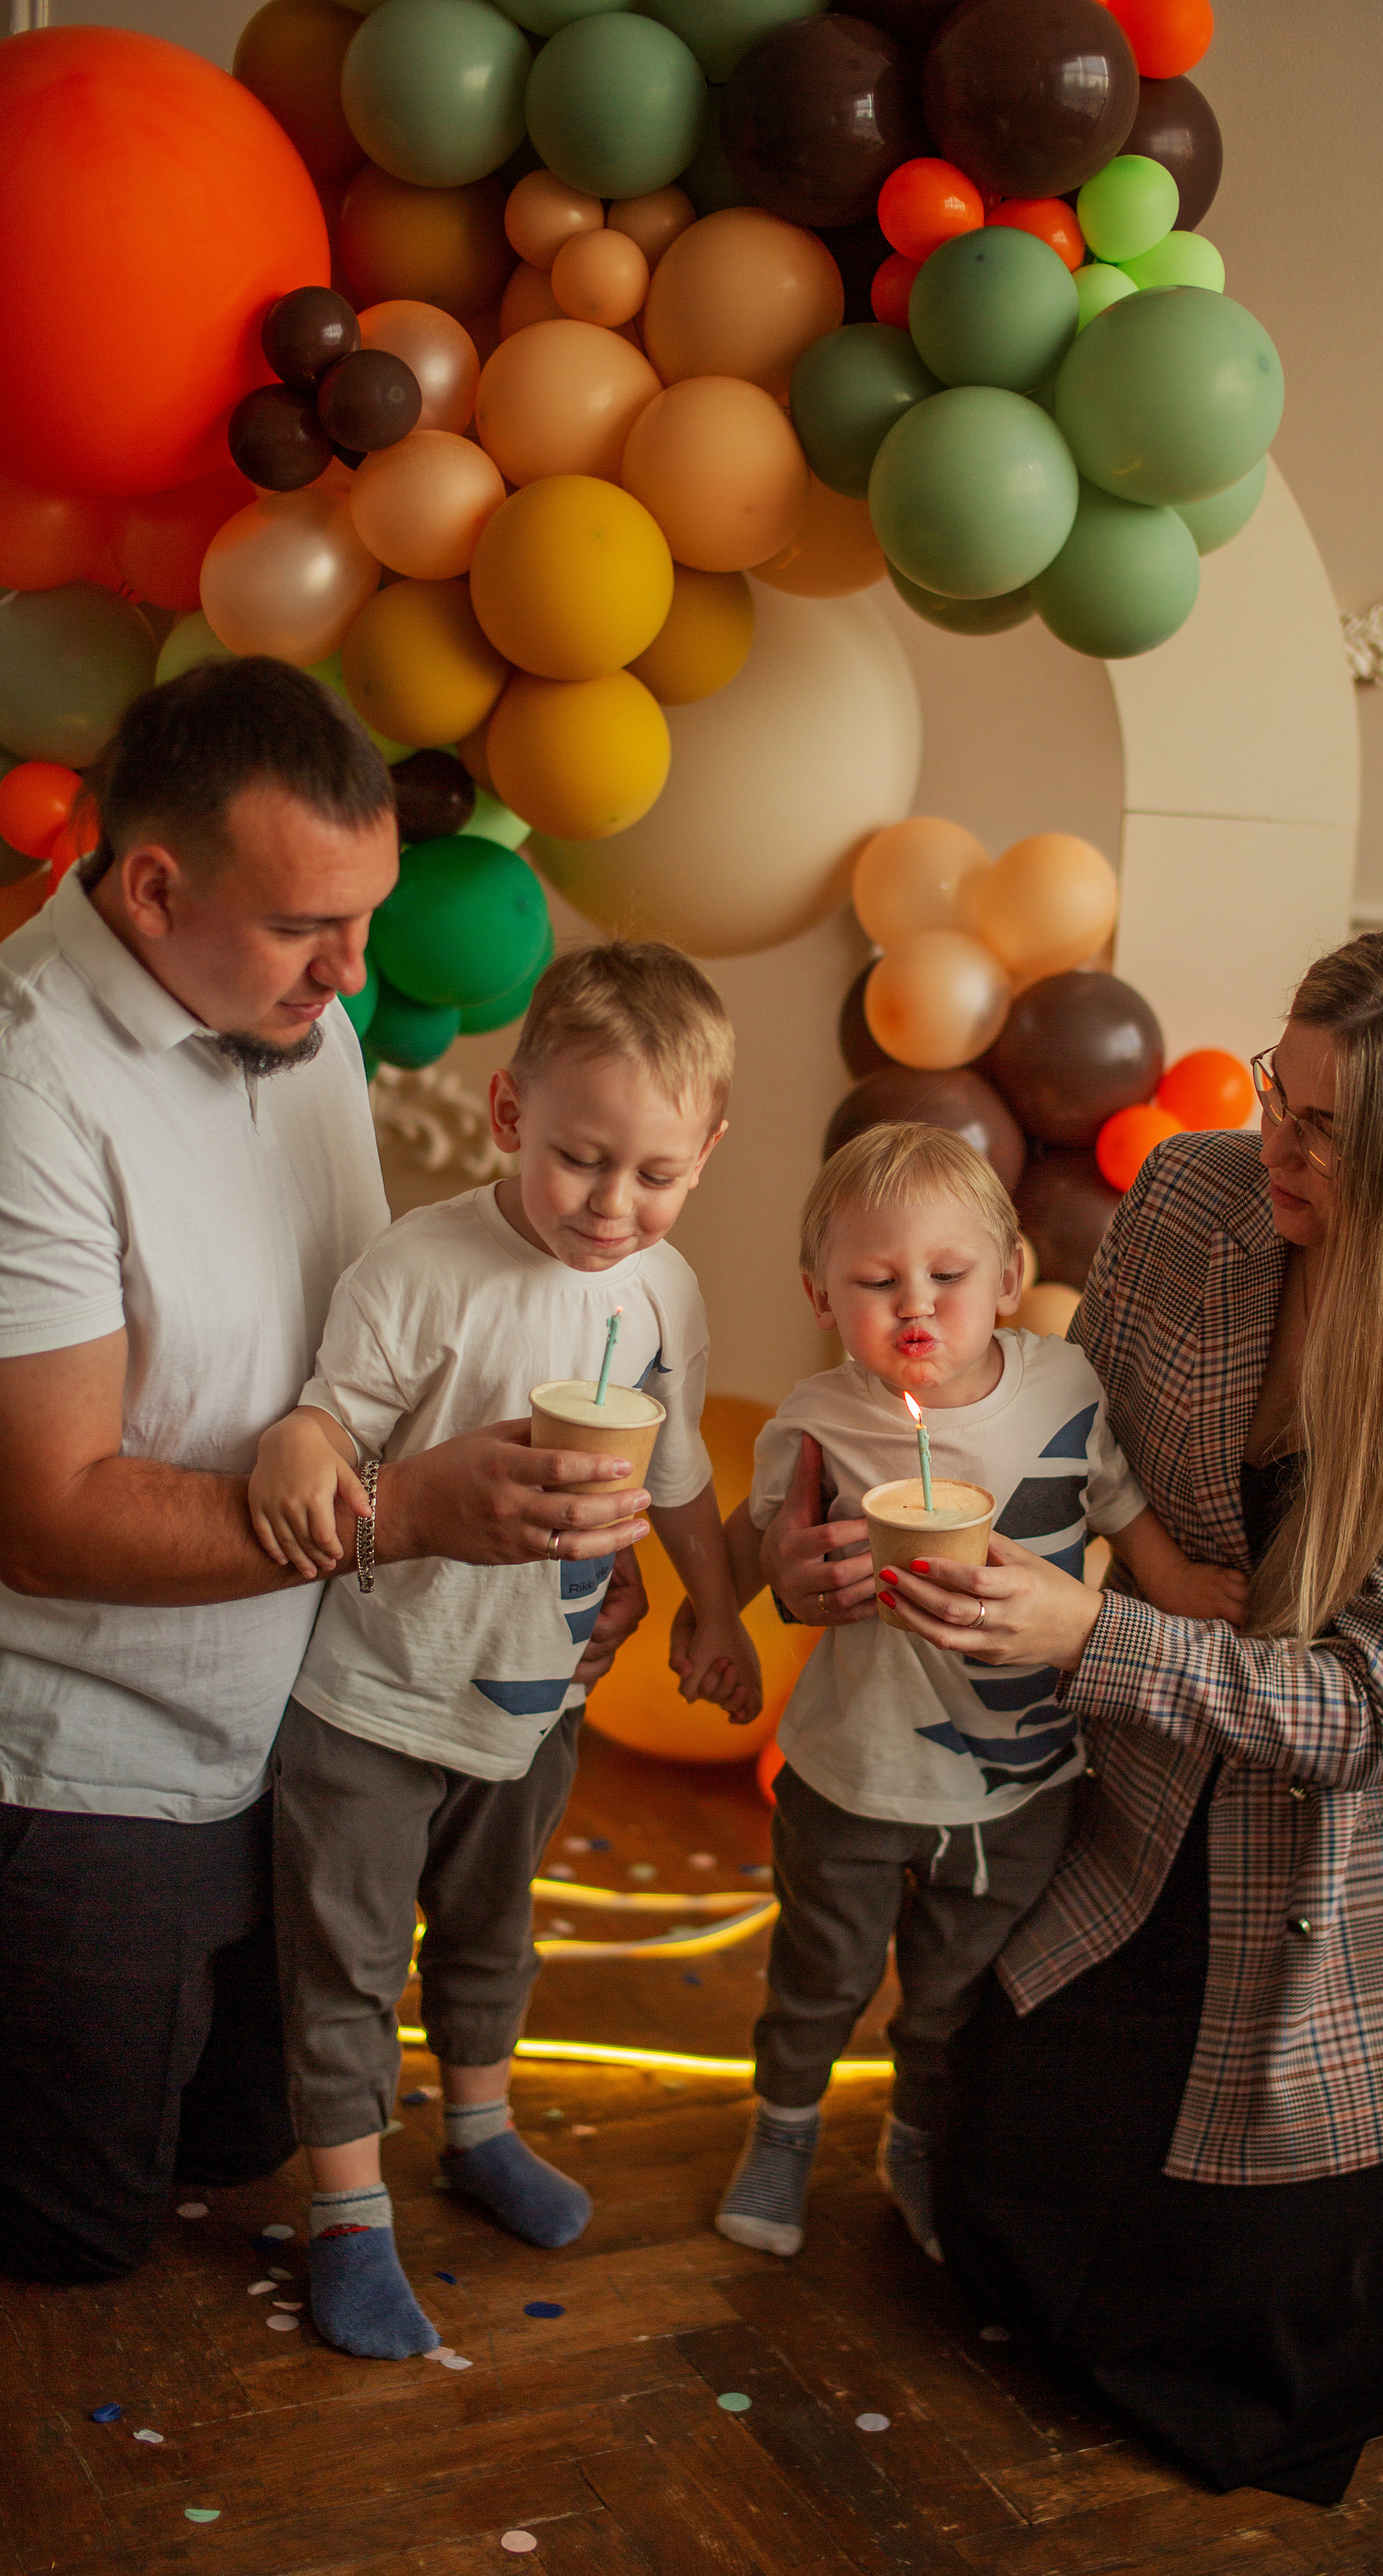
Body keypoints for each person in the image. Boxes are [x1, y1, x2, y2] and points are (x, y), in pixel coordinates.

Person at [759, 926, 1383, 2506]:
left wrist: (1088, 1627)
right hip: (1148, 1806)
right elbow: (1060, 1440)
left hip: (1353, 1879)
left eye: (1321, 1132)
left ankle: (1372, 2160)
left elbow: (1377, 1707)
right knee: (1001, 2191)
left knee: (1235, 2334)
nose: (1267, 1146)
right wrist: (840, 1558)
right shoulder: (1192, 1200)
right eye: (1277, 1092)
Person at [0, 659, 648, 2290]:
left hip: (310, 1711)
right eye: (310, 929)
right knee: (76, 2235)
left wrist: (555, 1531)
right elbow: (53, 1516)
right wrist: (411, 1514)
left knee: (249, 2146)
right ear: (154, 886)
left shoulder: (305, 1005)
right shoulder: (25, 1087)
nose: (355, 975)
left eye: (368, 923)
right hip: (93, 1757)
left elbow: (376, 1332)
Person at [251, 940, 761, 2359]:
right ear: (507, 1115)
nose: (613, 1206)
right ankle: (348, 2216)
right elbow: (332, 1421)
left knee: (492, 1928)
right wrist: (299, 1446)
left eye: (653, 1176)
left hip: (534, 1700)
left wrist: (713, 1605)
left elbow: (673, 1479)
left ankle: (478, 2128)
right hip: (369, 1699)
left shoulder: (666, 1293)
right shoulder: (424, 1268)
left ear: (705, 1155)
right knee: (346, 1962)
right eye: (581, 1160)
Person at [708, 1123, 1246, 2264]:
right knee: (819, 1978)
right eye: (875, 1280)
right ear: (818, 1294)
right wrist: (723, 1615)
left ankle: (914, 2141)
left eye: (949, 1277)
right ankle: (785, 2132)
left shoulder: (1063, 1385)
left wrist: (1177, 1582)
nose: (917, 1304)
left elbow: (1121, 1506)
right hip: (854, 1769)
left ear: (1008, 1277)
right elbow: (758, 1542)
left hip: (1019, 1782)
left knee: (953, 1996)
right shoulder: (817, 1419)